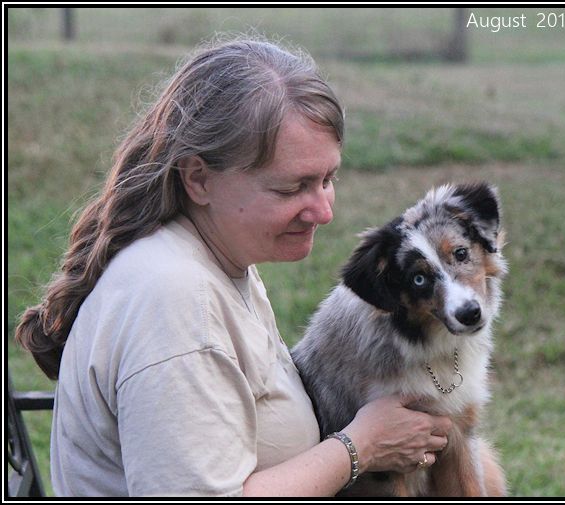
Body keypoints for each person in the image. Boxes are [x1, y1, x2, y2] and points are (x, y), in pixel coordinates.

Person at [15, 36, 451, 497]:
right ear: (199, 178)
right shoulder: (175, 303)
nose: (324, 211)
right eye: (292, 188)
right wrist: (361, 446)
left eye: (328, 179)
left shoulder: (216, 257)